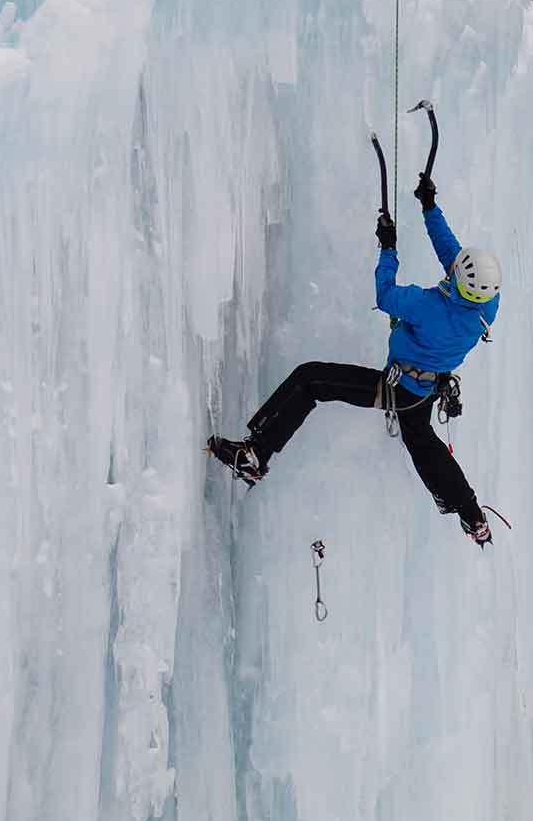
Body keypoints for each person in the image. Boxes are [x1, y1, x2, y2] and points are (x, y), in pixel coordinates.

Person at [208, 173, 503, 546]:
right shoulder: (485, 306)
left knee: (310, 380)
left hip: (400, 387)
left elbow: (385, 296)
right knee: (423, 444)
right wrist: (430, 208)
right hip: (426, 388)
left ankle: (255, 454)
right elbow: (452, 254)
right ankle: (472, 515)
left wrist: (388, 248)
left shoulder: (427, 307)